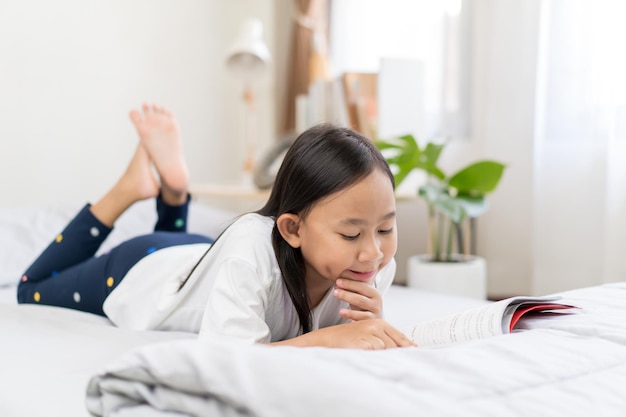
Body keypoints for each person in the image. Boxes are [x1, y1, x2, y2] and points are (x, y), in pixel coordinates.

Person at [17, 103, 414, 350]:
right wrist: (328, 339)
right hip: (139, 269)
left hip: (198, 258)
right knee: (29, 288)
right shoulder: (252, 248)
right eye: (350, 234)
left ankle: (173, 193)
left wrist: (369, 322)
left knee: (181, 245)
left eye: (385, 229)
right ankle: (128, 189)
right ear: (292, 229)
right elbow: (228, 355)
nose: (374, 252)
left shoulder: (371, 263)